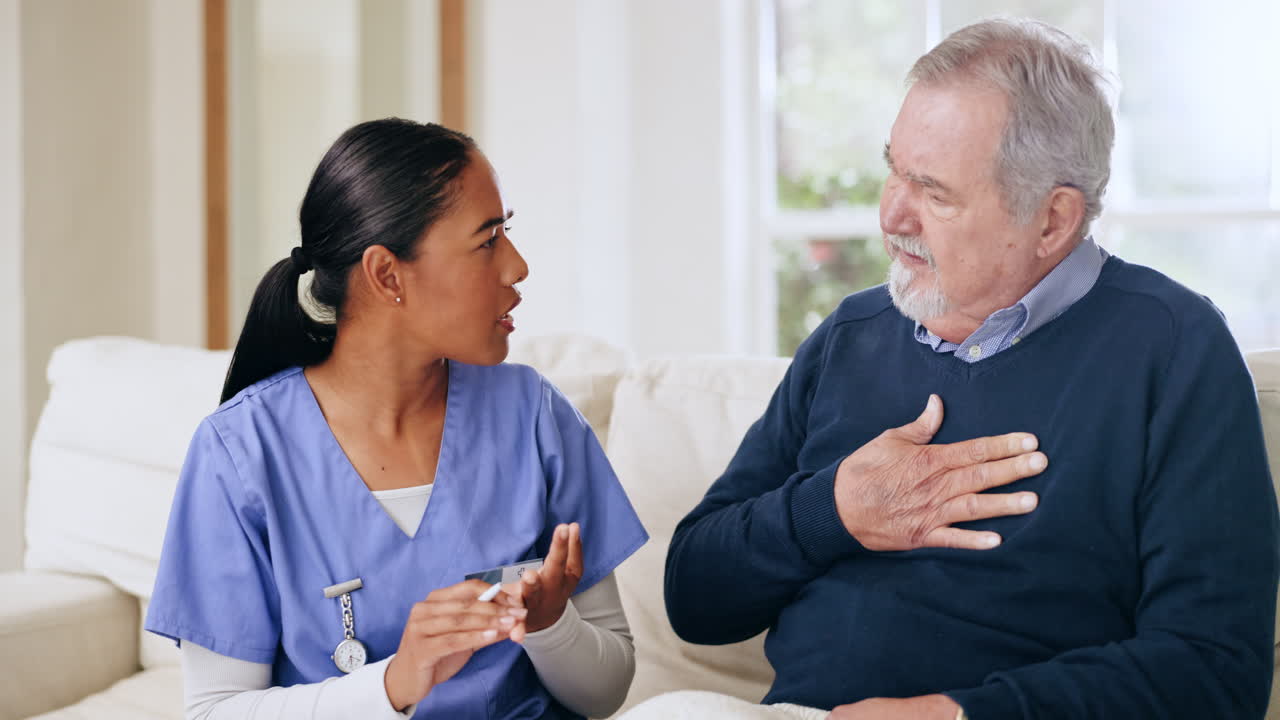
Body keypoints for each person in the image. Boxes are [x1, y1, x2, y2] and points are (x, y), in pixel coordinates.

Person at [655, 17, 1278, 720]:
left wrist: (952, 715)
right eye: (893, 168)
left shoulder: (1173, 349)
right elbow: (693, 599)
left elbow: (1216, 670)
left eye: (935, 192)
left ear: (1052, 221)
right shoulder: (851, 336)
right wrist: (832, 510)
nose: (890, 213)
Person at [145, 118, 648, 720]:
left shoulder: (536, 418)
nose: (517, 267)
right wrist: (393, 685)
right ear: (388, 274)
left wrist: (548, 624)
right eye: (488, 240)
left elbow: (607, 689)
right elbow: (213, 711)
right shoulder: (240, 453)